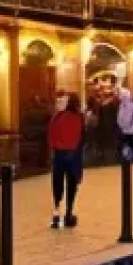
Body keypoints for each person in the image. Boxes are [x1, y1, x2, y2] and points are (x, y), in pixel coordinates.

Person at [48, 94, 85, 229]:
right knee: (72, 185)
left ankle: (57, 212)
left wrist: (56, 147)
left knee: (57, 184)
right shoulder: (79, 117)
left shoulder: (58, 117)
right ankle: (69, 213)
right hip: (73, 155)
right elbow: (82, 137)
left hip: (59, 154)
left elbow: (51, 135)